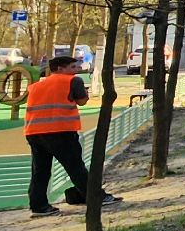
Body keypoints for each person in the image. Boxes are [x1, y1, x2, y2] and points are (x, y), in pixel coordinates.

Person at [25, 55, 118, 217]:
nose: (77, 70)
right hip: (61, 131)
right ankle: (95, 197)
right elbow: (82, 101)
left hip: (34, 132)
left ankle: (39, 206)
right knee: (75, 167)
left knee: (40, 171)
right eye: (73, 67)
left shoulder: (36, 86)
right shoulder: (73, 81)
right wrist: (85, 94)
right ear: (60, 68)